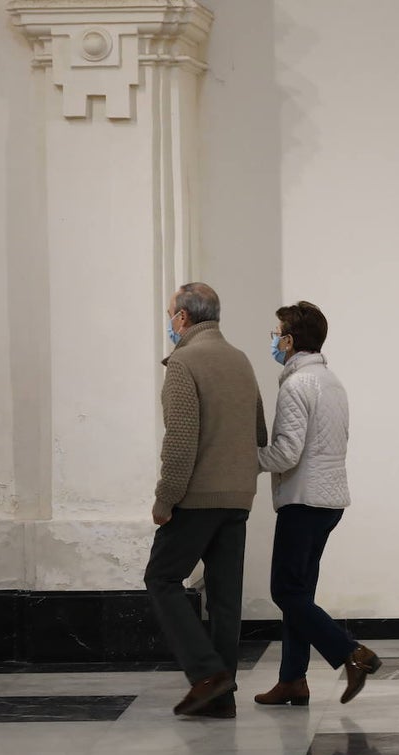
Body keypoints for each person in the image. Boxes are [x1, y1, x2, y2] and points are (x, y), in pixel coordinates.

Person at [144, 282, 267, 718]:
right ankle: (222, 698)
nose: (169, 321)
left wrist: (165, 499)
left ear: (183, 318)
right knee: (225, 596)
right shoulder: (240, 360)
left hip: (197, 497)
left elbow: (179, 442)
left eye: (169, 313)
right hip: (239, 495)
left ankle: (207, 674)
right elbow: (260, 433)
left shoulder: (183, 362)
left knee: (161, 578)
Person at [253, 300, 381, 707]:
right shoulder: (332, 382)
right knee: (300, 595)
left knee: (285, 592)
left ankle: (352, 653)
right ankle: (292, 680)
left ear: (289, 341)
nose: (273, 341)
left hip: (302, 500)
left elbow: (287, 453)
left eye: (276, 334)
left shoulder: (295, 385)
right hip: (329, 501)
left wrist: (247, 458)